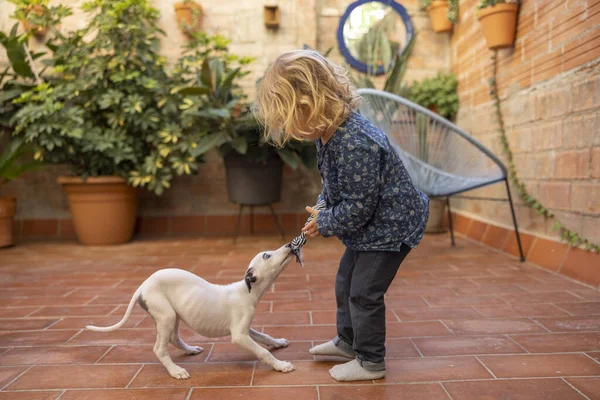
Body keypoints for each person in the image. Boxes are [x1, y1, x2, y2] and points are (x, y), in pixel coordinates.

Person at [253, 49, 429, 382]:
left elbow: (359, 206)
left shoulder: (353, 142)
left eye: (292, 120)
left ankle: (371, 361)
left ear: (311, 104)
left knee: (364, 292)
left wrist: (327, 221)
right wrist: (322, 207)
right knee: (345, 281)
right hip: (373, 226)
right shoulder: (329, 133)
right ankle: (349, 342)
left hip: (390, 229)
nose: (291, 131)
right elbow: (338, 184)